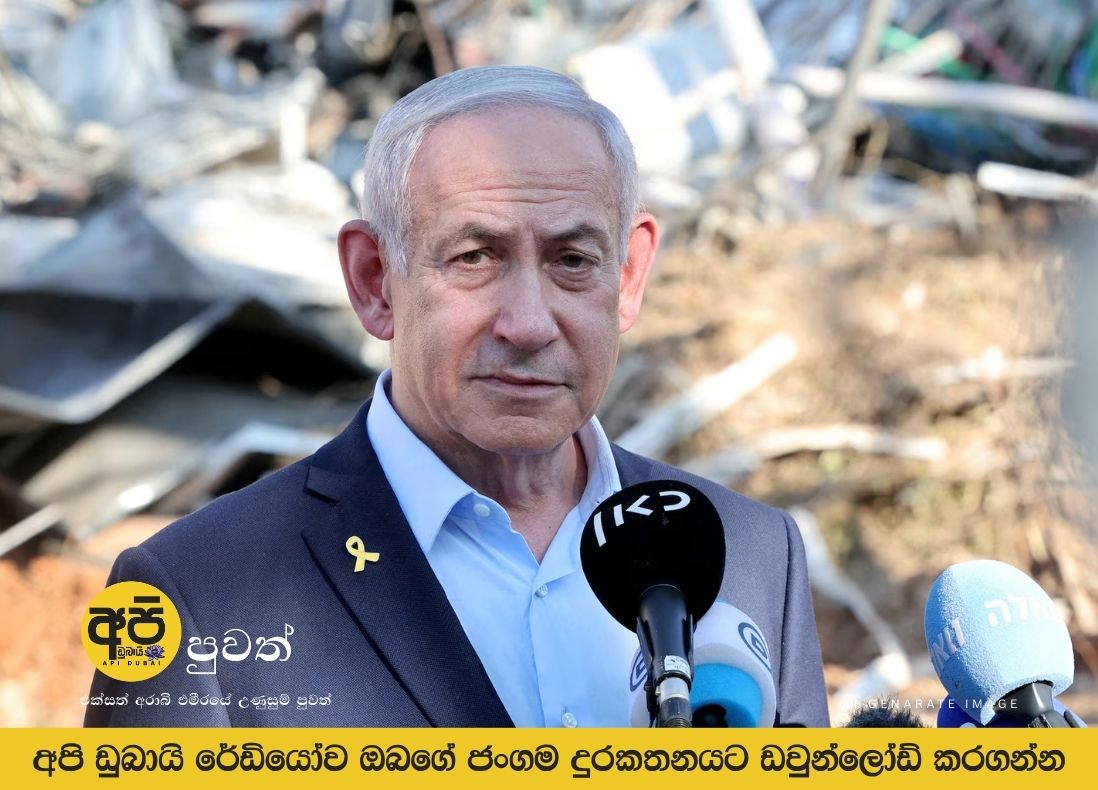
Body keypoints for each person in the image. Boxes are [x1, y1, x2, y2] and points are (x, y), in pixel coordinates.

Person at [84, 65, 828, 727]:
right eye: (475, 258)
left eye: (573, 260)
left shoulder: (756, 556)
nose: (530, 324)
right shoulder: (193, 595)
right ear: (375, 282)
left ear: (628, 276)